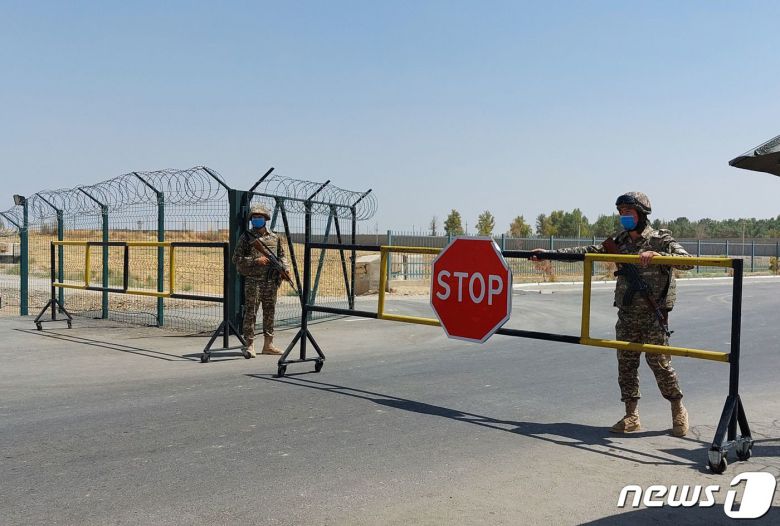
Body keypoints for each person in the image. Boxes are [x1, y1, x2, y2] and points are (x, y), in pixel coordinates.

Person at [532, 192, 693, 437]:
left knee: (660, 364)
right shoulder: (619, 241)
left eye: (629, 212)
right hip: (627, 314)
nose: (624, 217)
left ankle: (678, 409)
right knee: (626, 364)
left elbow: (688, 261)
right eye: (621, 212)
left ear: (642, 214)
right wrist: (549, 253)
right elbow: (586, 251)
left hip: (653, 313)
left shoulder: (660, 239)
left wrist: (661, 256)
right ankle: (631, 415)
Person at [232, 204, 290, 358]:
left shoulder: (275, 237)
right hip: (253, 281)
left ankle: (268, 345)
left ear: (266, 219)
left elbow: (282, 255)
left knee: (269, 312)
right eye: (254, 218)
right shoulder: (246, 237)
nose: (257, 220)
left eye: (260, 217)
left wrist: (284, 268)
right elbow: (236, 259)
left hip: (271, 281)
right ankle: (249, 345)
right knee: (251, 313)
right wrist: (256, 260)